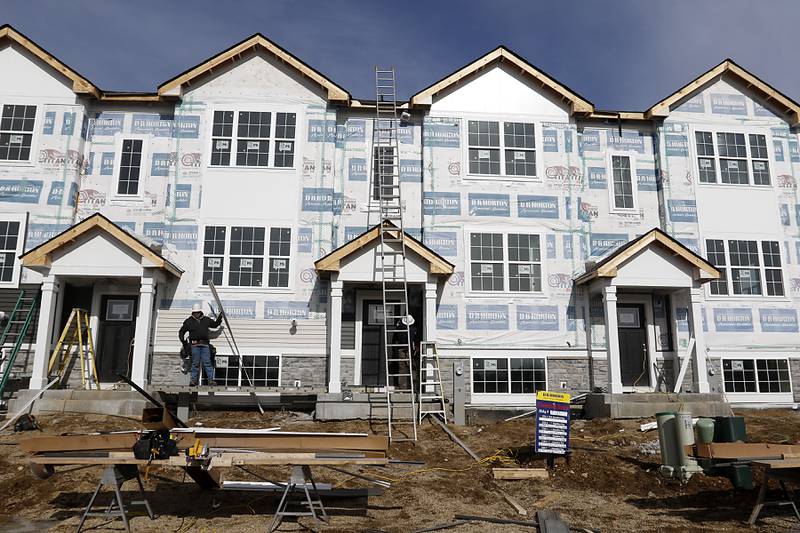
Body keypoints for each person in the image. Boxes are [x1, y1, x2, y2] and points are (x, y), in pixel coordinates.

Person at [178, 303, 223, 386]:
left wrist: (220, 317)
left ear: (200, 312)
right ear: (192, 313)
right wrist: (183, 341)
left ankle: (210, 380)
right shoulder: (189, 321)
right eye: (194, 312)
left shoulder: (206, 320)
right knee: (195, 363)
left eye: (197, 312)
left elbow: (215, 325)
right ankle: (193, 381)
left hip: (205, 344)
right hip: (194, 345)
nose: (196, 314)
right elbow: (181, 331)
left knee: (207, 363)